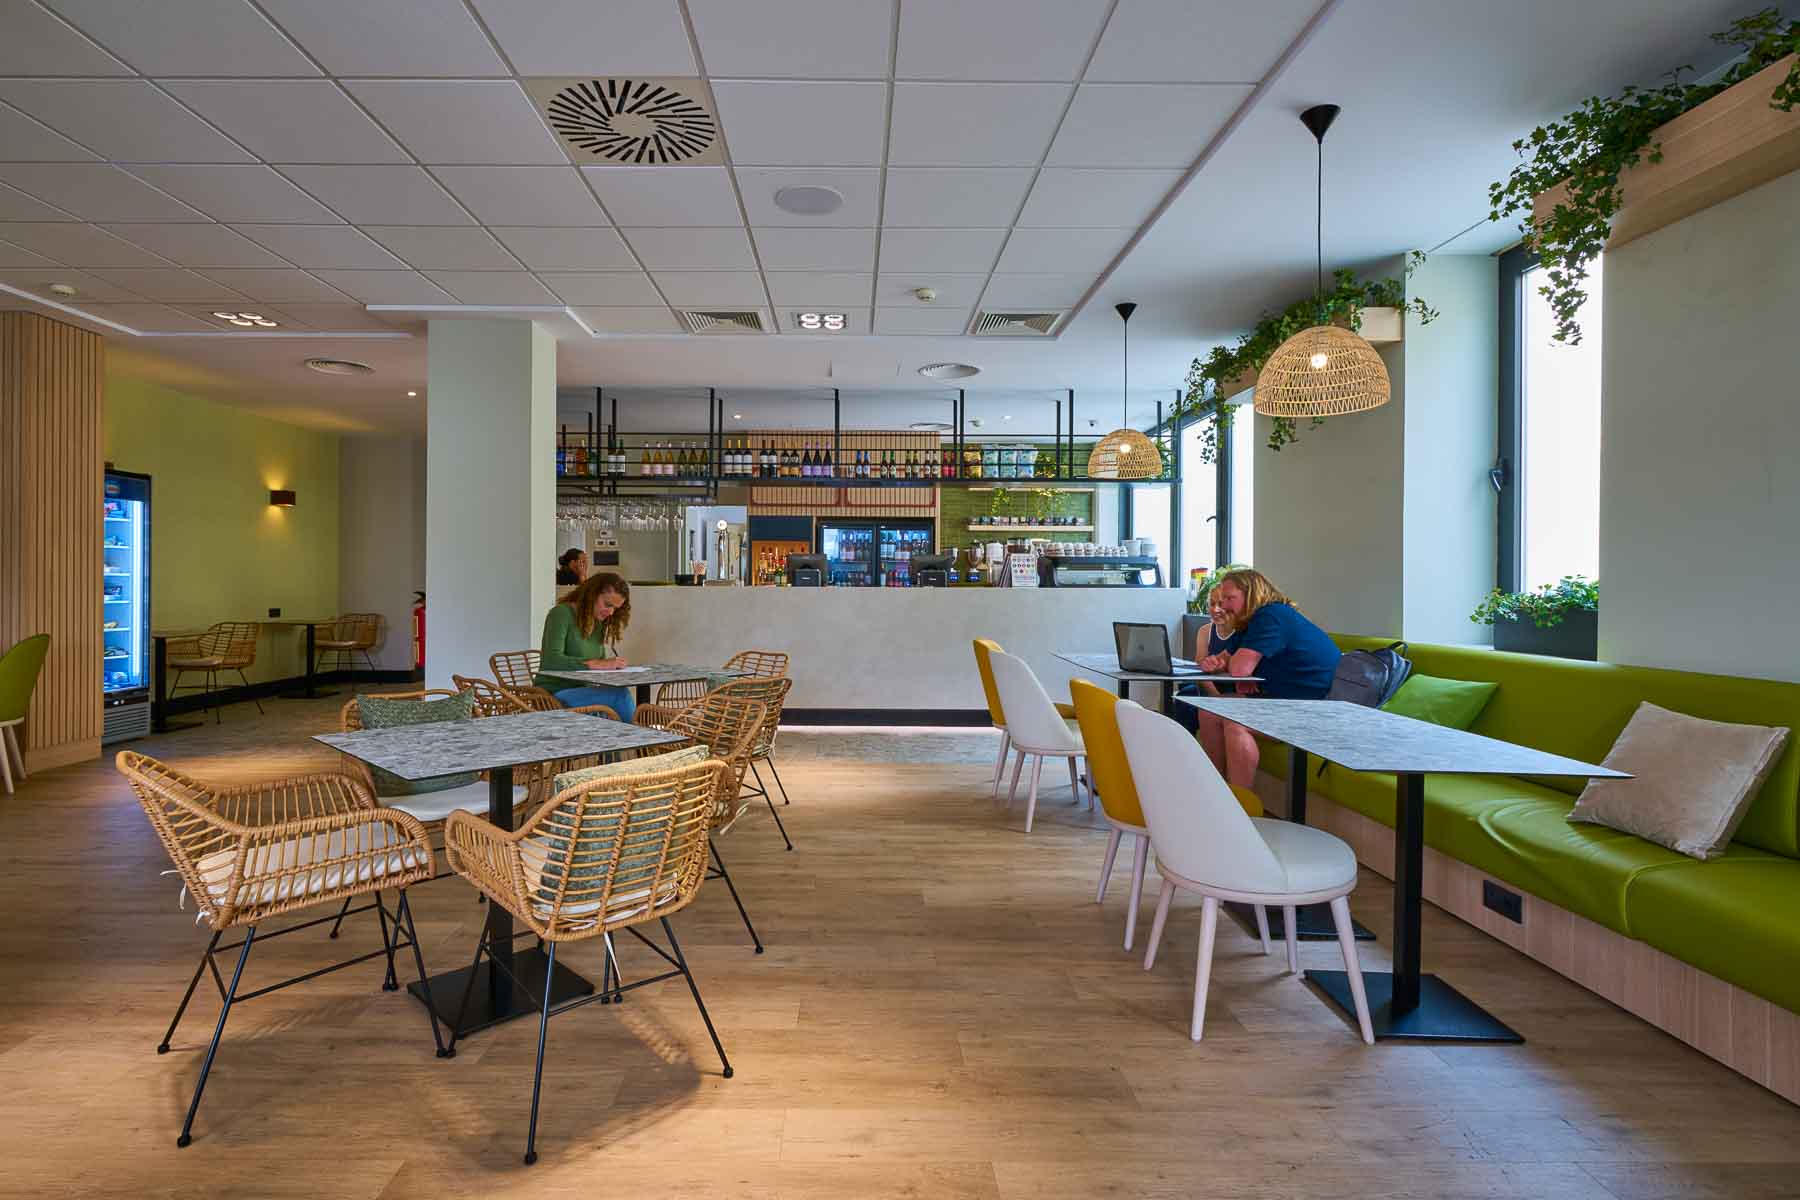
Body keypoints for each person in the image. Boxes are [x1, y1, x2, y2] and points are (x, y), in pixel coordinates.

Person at [1195, 568, 1340, 788]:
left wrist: (1243, 670)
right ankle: (1217, 790)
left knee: (1235, 723)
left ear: (1251, 594)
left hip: (1315, 706)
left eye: (1230, 598)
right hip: (1282, 699)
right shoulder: (1249, 622)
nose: (1224, 605)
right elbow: (1223, 659)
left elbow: (1239, 669)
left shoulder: (1271, 616)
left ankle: (1241, 802)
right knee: (1208, 711)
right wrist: (1215, 663)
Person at [536, 571, 635, 721]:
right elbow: (551, 660)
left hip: (582, 691)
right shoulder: (561, 614)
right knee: (620, 696)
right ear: (592, 594)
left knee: (619, 692)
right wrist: (594, 664)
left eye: (615, 608)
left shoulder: (598, 623)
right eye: (608, 604)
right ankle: (639, 735)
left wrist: (612, 668)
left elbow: (599, 664)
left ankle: (633, 734)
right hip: (553, 693)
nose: (610, 612)